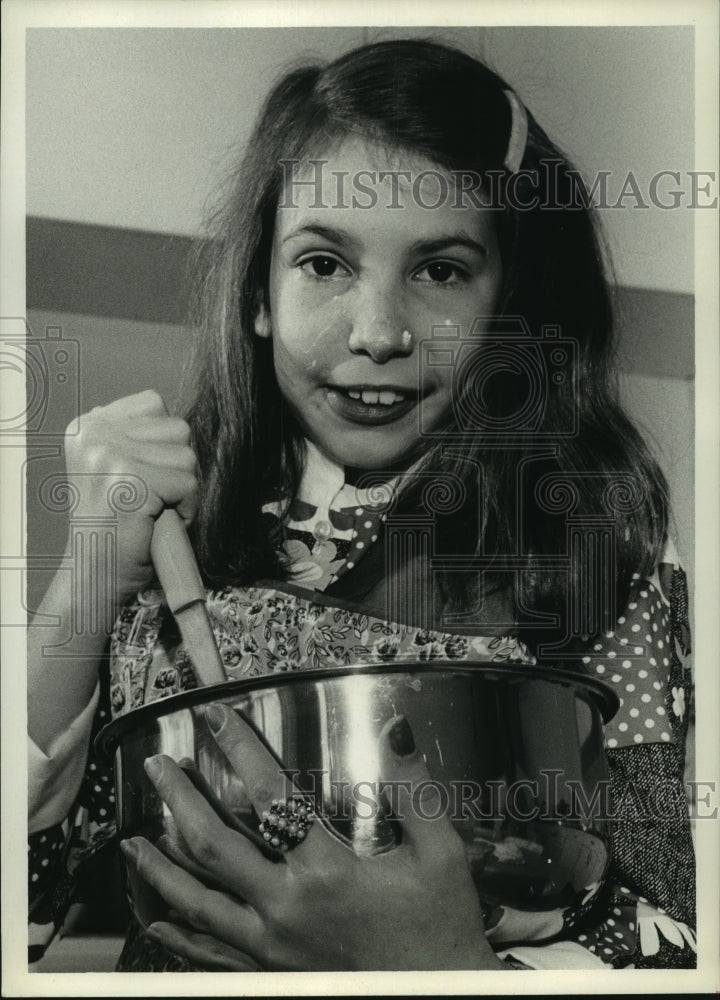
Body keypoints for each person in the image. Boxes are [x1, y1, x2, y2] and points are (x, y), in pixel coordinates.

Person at [28, 38, 695, 972]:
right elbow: (24, 913)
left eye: (442, 271)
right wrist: (84, 578)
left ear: (512, 302)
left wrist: (441, 968)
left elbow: (676, 939)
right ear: (259, 290)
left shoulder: (595, 553)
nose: (379, 334)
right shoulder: (170, 534)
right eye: (324, 265)